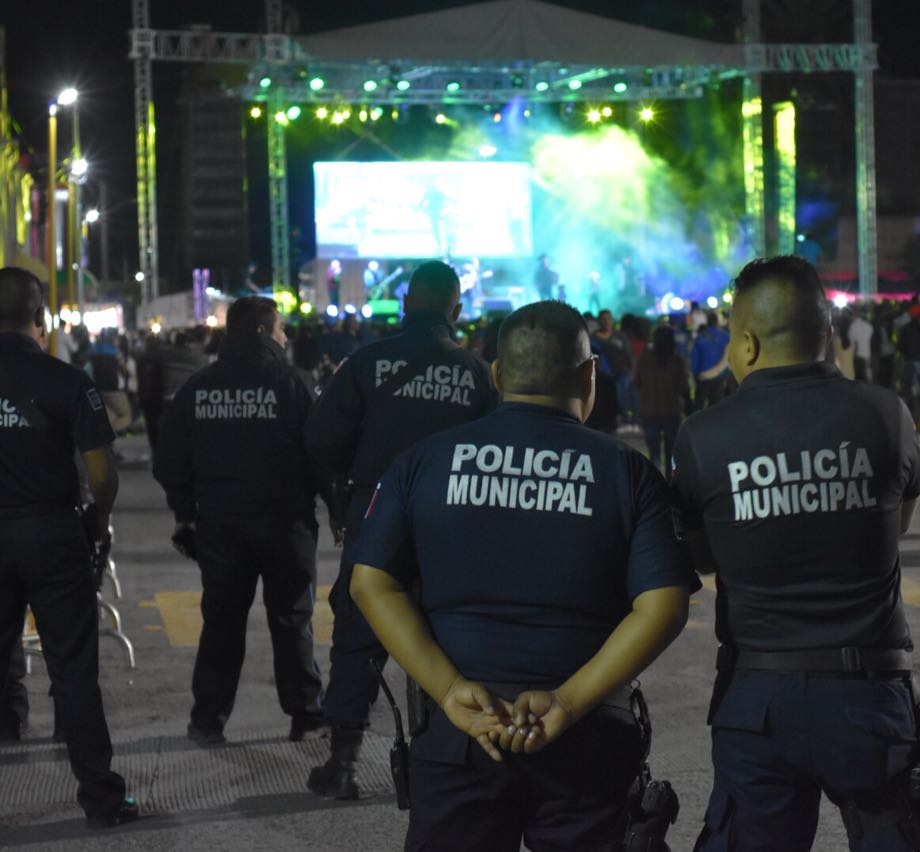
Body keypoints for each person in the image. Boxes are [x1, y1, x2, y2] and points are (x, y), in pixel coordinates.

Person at [348, 300, 697, 851]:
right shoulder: (625, 470)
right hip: (586, 741)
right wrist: (567, 701)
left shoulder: (424, 461)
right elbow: (664, 605)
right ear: (589, 376)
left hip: (461, 738)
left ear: (497, 375)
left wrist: (450, 690)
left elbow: (370, 582)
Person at [670, 256, 920, 852]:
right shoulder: (885, 414)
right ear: (827, 335)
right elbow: (898, 526)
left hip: (757, 698)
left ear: (750, 344)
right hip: (870, 692)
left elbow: (704, 559)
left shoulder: (704, 435)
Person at [303, 261, 496, 799]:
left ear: (407, 303)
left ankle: (342, 763)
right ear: (456, 311)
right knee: (444, 636)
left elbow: (319, 437)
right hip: (452, 520)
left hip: (377, 513)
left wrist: (344, 493)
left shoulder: (366, 363)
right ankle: (443, 765)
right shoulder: (477, 374)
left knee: (359, 634)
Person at [153, 297, 331, 746]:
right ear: (261, 332)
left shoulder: (200, 387)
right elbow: (322, 456)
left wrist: (184, 511)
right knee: (292, 620)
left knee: (222, 622)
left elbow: (169, 457)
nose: (285, 336)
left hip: (221, 526)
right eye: (280, 329)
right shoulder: (293, 385)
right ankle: (306, 717)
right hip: (285, 524)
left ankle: (208, 720)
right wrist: (338, 511)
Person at [0, 267, 138, 828]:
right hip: (52, 535)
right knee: (74, 668)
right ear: (41, 319)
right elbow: (103, 475)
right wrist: (97, 522)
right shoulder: (67, 379)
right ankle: (102, 800)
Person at [634, 324, 690, 475]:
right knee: (671, 454)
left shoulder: (645, 358)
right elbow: (683, 387)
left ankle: (657, 485)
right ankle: (671, 483)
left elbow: (636, 382)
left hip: (649, 410)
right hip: (671, 411)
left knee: (654, 455)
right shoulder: (677, 361)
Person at [691, 311, 731, 409]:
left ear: (707, 322)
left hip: (703, 376)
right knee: (717, 406)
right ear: (717, 322)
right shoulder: (726, 336)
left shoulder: (700, 338)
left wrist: (695, 374)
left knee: (699, 405)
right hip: (719, 375)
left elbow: (694, 359)